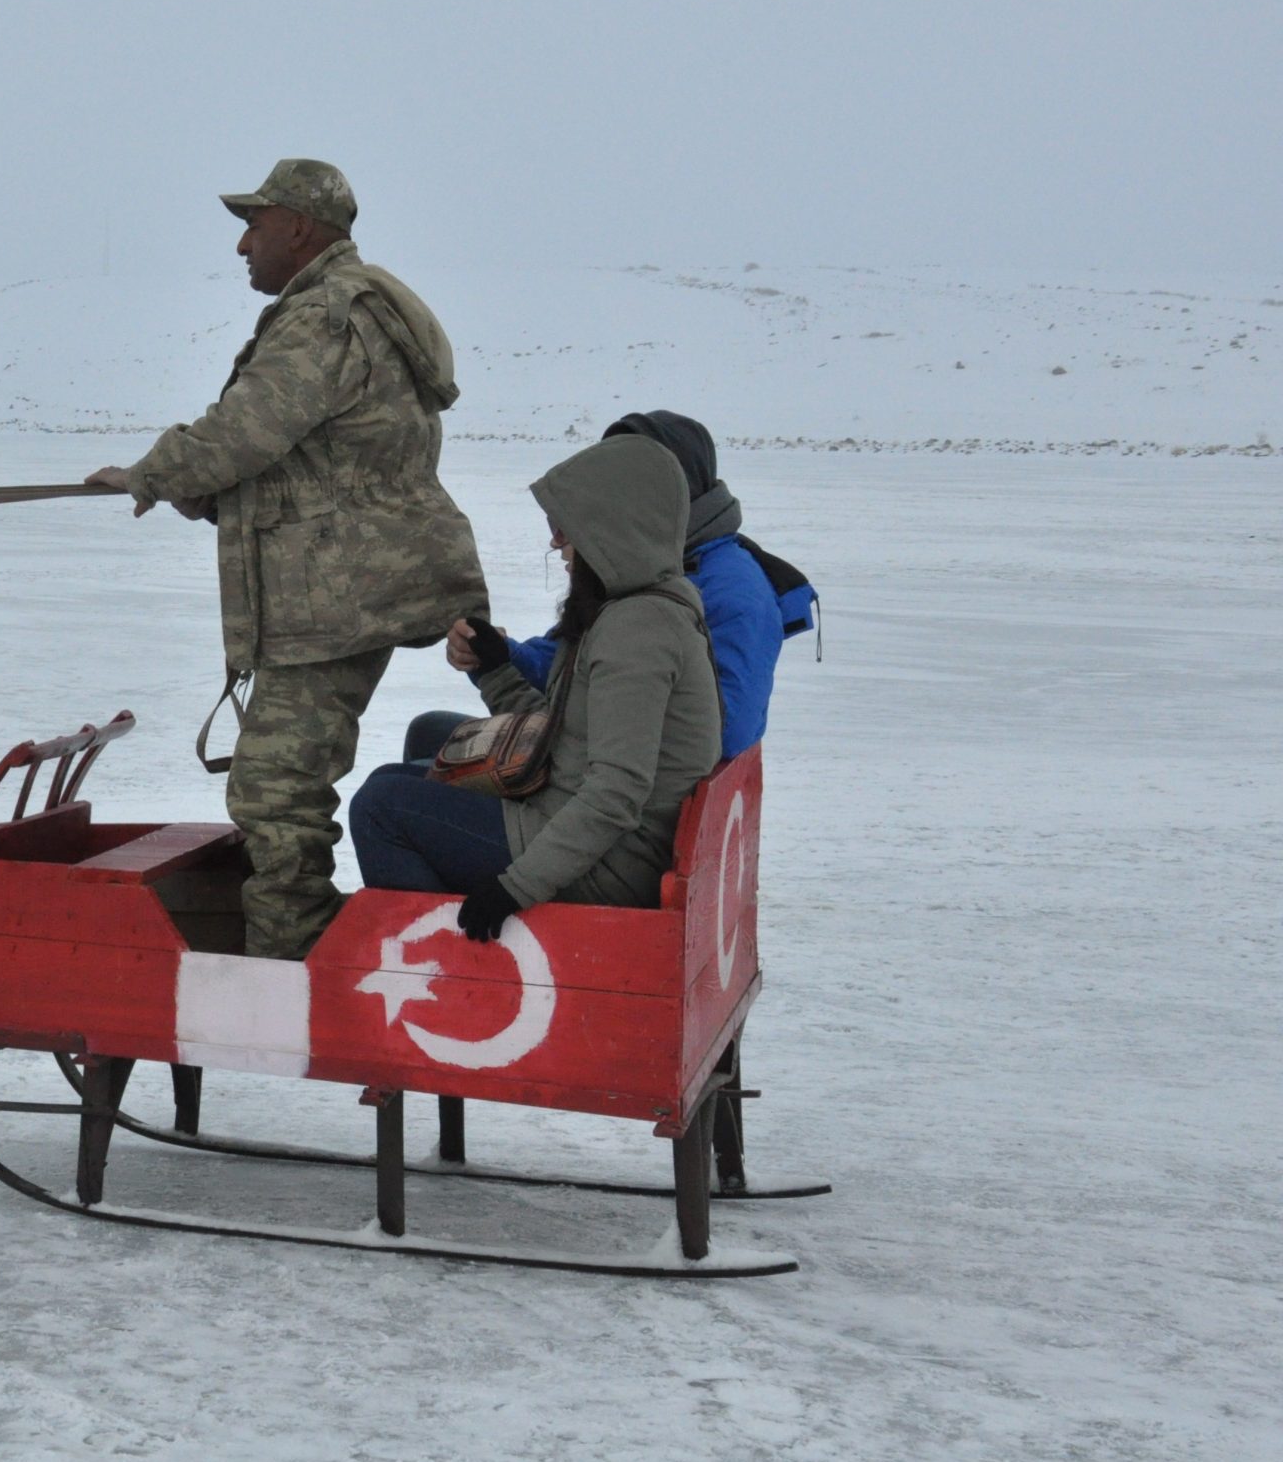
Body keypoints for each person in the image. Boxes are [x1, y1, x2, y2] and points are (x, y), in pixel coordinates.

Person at [86, 159, 485, 960]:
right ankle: (298, 958)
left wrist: (153, 475)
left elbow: (244, 433)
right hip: (351, 584)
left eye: (256, 226)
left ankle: (294, 971)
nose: (243, 245)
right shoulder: (352, 306)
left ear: (300, 227)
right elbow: (313, 462)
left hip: (339, 596)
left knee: (276, 792)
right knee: (283, 786)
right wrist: (203, 492)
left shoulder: (326, 316)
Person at [349, 434, 720, 940]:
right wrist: (495, 669)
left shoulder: (638, 631)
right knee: (396, 779)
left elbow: (617, 791)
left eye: (566, 528)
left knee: (381, 807)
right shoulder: (633, 612)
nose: (556, 542)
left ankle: (443, 960)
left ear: (610, 531)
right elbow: (564, 735)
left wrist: (514, 888)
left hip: (608, 865)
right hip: (584, 830)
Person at [402, 408, 814, 766]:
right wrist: (502, 654)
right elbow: (573, 660)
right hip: (590, 761)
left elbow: (725, 732)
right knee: (431, 734)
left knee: (394, 796)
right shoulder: (642, 561)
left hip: (629, 796)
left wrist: (603, 718)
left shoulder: (732, 591)